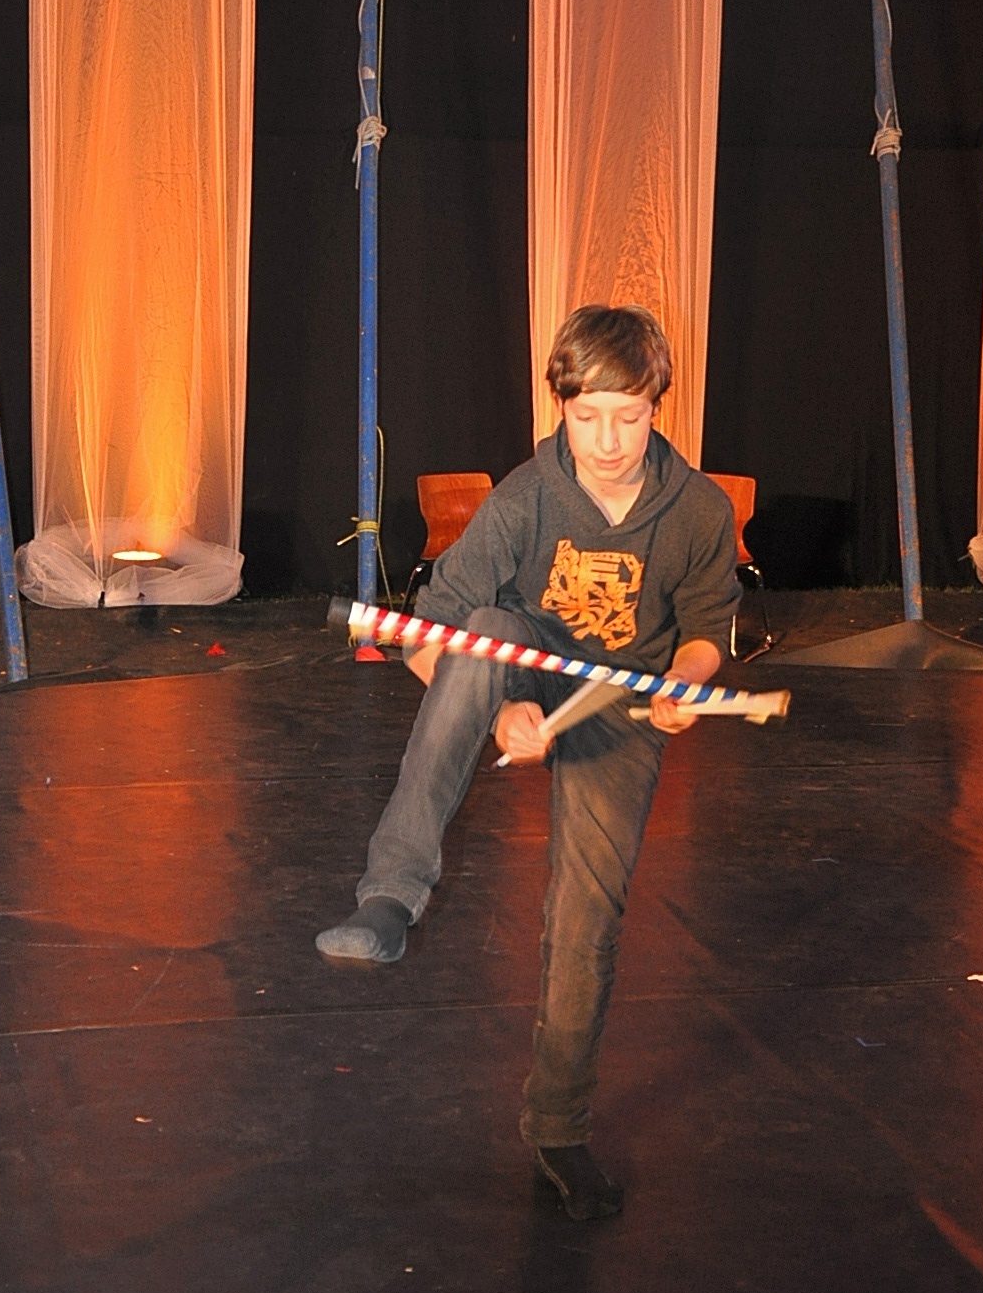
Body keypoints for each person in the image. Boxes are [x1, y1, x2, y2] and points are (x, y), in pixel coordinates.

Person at [316, 304, 740, 1221]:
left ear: (658, 405)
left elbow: (709, 627)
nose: (608, 442)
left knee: (589, 909)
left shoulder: (700, 510)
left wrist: (686, 682)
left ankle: (559, 1129)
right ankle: (392, 892)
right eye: (587, 418)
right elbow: (426, 639)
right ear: (561, 407)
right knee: (483, 627)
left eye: (629, 417)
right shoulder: (524, 499)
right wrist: (500, 708)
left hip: (621, 704)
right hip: (522, 667)